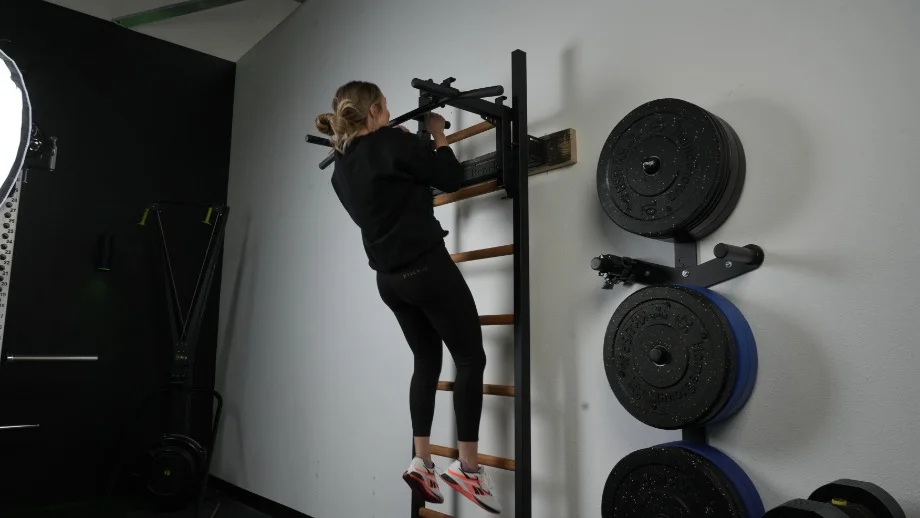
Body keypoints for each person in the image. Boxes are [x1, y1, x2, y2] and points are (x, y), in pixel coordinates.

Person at [315, 81, 501, 515]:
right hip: (426, 270)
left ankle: (422, 461)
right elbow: (451, 178)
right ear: (375, 110)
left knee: (426, 361)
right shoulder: (393, 143)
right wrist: (436, 134)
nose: (388, 110)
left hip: (389, 282)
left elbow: (395, 188)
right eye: (385, 106)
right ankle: (468, 469)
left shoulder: (341, 169)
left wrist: (412, 150)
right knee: (470, 358)